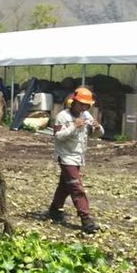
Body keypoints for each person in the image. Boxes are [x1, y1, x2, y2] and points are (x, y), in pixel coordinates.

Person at [48, 87, 103, 233]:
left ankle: (54, 209)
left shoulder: (86, 115)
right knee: (76, 187)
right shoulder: (62, 116)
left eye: (86, 105)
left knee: (65, 186)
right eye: (80, 104)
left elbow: (97, 134)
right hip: (66, 157)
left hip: (78, 156)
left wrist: (97, 128)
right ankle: (86, 219)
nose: (83, 107)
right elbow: (58, 136)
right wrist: (74, 126)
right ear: (73, 102)